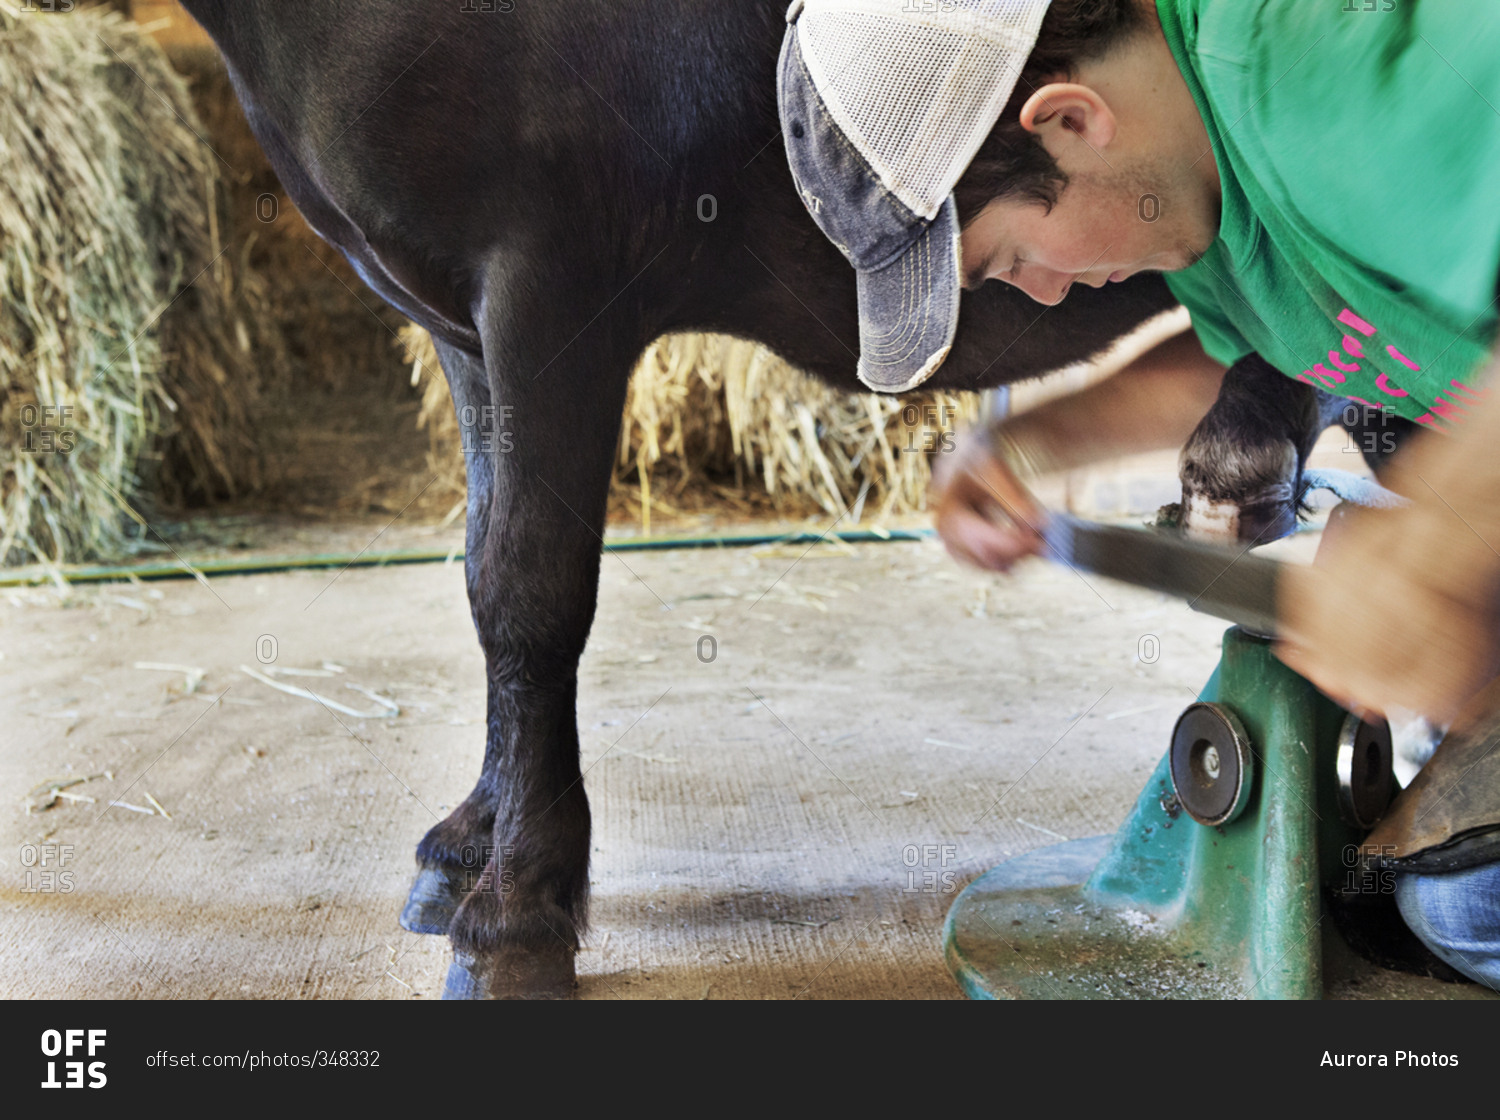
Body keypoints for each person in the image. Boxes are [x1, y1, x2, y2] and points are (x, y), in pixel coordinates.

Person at [778, 0, 1500, 987]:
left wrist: (1442, 541)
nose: (1044, 293)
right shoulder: (1197, 184)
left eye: (1016, 259)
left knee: (1468, 906)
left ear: (1070, 120)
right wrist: (1028, 444)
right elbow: (1290, 344)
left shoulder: (1296, 57)